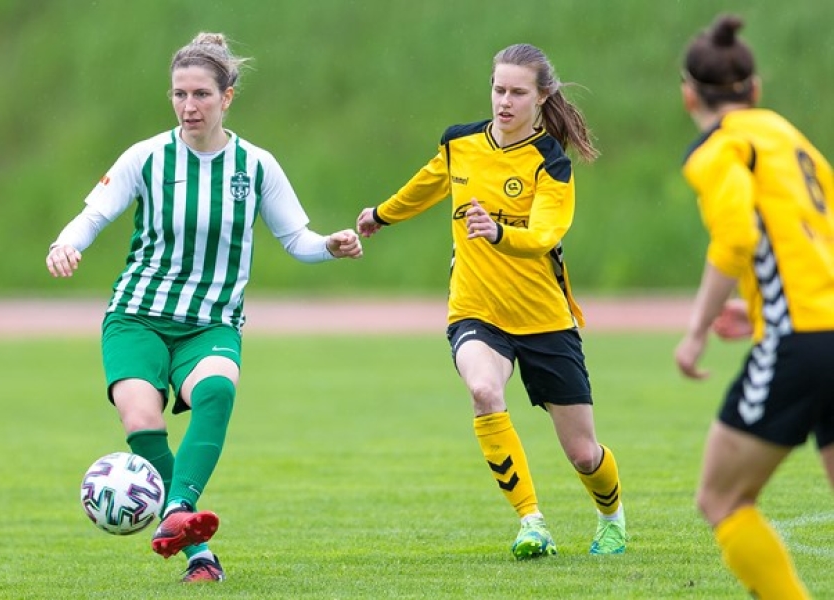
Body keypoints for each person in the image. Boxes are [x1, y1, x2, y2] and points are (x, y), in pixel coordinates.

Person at [46, 32, 363, 583]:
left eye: (200, 95)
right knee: (142, 420)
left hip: (211, 322)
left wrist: (330, 247)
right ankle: (197, 550)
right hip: (138, 316)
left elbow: (299, 240)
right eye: (178, 95)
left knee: (216, 389)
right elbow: (94, 214)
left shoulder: (256, 166)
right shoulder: (146, 157)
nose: (188, 106)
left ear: (227, 97)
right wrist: (65, 242)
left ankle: (174, 511)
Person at [356, 43, 626, 558]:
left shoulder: (551, 161)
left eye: (517, 92)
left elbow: (546, 233)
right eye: (498, 89)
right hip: (477, 308)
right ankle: (532, 522)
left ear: (541, 97)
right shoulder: (461, 143)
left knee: (582, 452)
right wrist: (382, 215)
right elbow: (427, 185)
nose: (505, 101)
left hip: (544, 317)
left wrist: (499, 232)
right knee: (483, 390)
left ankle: (611, 517)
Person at [675, 14, 834, 599]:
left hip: (802, 342)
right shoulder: (792, 139)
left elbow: (737, 236)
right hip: (822, 325)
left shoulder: (720, 148)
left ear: (688, 94)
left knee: (721, 499)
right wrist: (761, 307)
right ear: (755, 89)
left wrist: (696, 331)